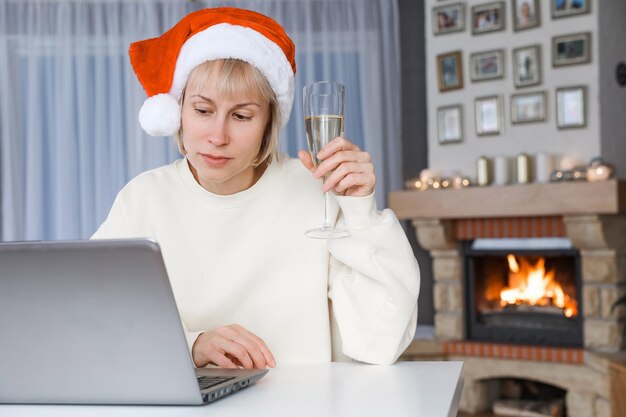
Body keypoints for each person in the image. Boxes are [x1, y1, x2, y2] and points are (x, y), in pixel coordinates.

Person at [92, 7, 420, 369]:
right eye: (203, 110)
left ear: (269, 123)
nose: (218, 136)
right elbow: (94, 320)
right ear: (179, 110)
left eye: (242, 116)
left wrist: (361, 212)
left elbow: (380, 342)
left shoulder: (314, 192)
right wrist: (191, 346)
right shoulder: (142, 199)